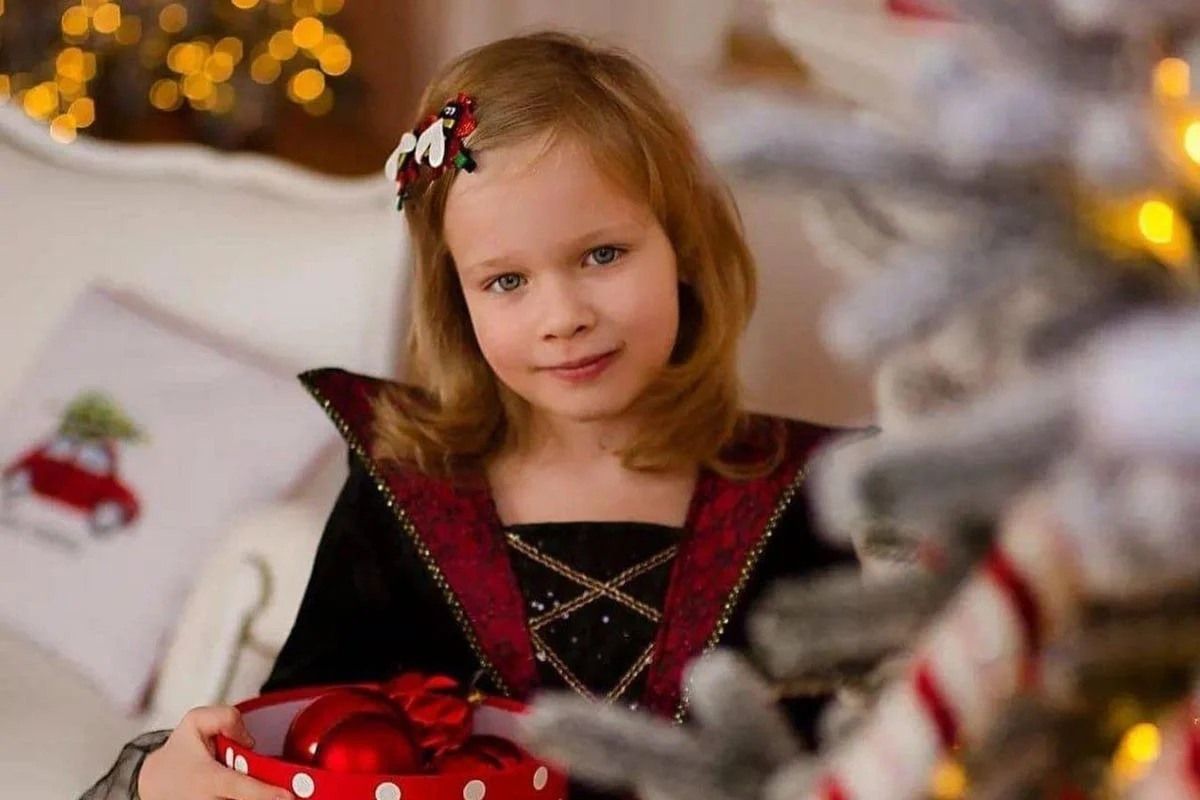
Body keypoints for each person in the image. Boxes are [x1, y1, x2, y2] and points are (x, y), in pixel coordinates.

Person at [80, 31, 857, 800]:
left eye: (602, 255)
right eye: (507, 281)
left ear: (681, 247)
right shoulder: (411, 490)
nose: (563, 316)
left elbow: (860, 753)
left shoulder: (798, 495)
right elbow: (300, 740)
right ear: (456, 298)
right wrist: (164, 781)